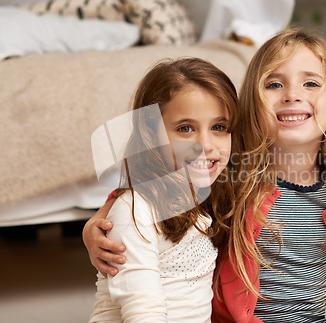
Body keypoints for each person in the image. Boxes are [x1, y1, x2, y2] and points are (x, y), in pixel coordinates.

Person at [84, 28, 326, 323]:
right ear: (252, 104)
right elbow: (151, 191)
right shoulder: (234, 172)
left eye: (311, 83)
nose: (293, 95)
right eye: (274, 84)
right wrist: (95, 225)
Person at [87, 57, 239, 323]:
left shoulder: (206, 196)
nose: (205, 144)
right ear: (149, 134)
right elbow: (143, 313)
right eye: (185, 128)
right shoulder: (136, 210)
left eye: (218, 127)